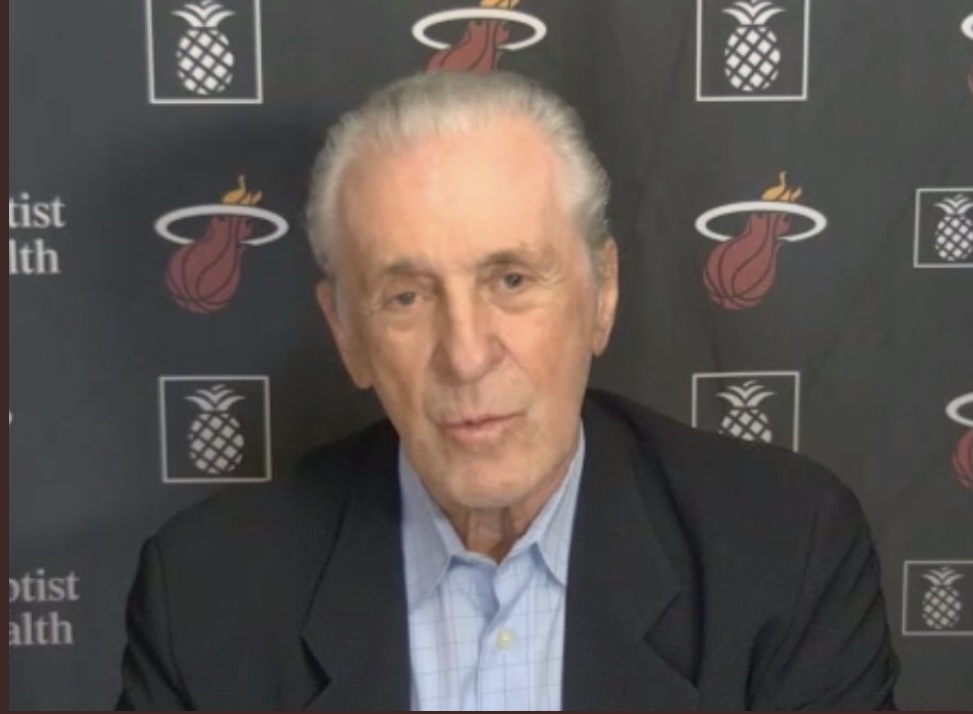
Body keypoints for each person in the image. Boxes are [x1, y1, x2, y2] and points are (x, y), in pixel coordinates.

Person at [116, 70, 899, 711]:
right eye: (406, 296)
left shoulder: (784, 554)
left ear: (602, 293)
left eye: (512, 279)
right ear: (347, 334)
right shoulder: (205, 597)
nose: (466, 355)